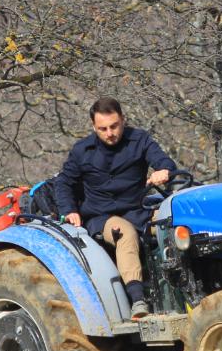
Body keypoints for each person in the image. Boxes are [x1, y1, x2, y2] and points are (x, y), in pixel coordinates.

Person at [54, 97, 178, 319]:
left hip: (139, 209)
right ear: (94, 127)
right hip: (103, 217)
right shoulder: (82, 151)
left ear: (122, 120)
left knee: (174, 220)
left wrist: (164, 171)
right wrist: (69, 210)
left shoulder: (140, 140)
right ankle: (138, 300)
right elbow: (64, 183)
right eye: (103, 129)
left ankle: (183, 289)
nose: (109, 133)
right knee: (125, 233)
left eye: (114, 126)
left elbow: (163, 161)